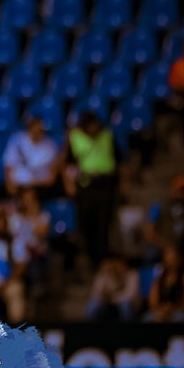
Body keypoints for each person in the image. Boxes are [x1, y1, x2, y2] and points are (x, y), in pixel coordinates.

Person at [66, 111, 119, 266]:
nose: (94, 129)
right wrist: (70, 183)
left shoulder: (107, 136)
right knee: (87, 224)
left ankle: (103, 257)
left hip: (106, 186)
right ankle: (91, 257)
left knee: (104, 224)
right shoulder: (75, 138)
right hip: (86, 188)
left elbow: (120, 159)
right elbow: (69, 163)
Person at [4, 116, 63, 197]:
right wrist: (10, 186)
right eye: (35, 128)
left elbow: (51, 177)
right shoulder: (17, 140)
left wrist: (36, 183)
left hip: (40, 188)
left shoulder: (50, 145)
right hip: (19, 185)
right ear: (30, 127)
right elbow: (8, 165)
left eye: (40, 129)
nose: (37, 132)